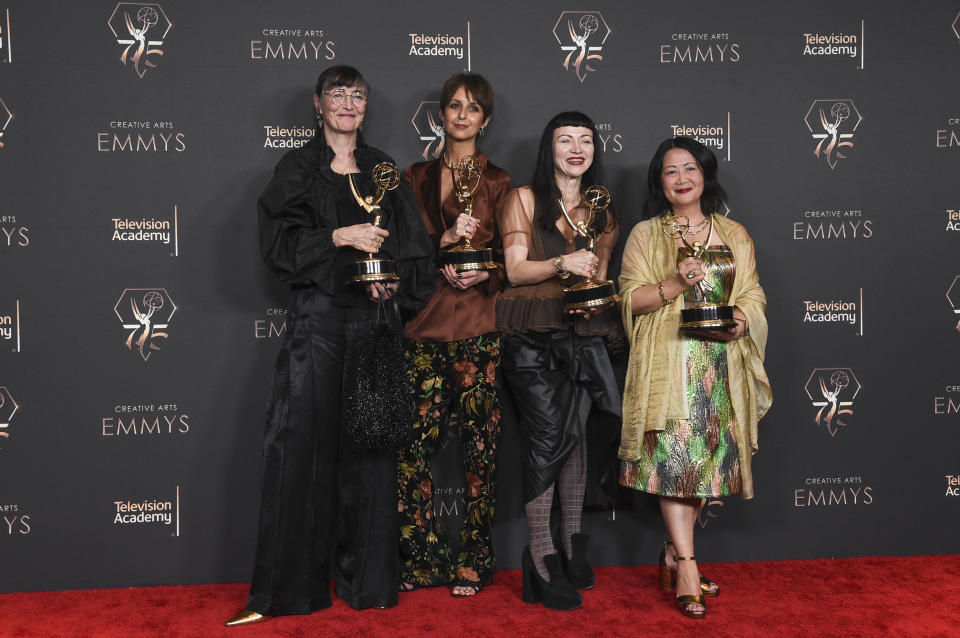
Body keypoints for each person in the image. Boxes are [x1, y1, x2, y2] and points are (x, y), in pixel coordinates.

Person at [226, 65, 434, 626]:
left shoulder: (385, 170)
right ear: (318, 105)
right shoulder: (297, 167)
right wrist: (340, 235)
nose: (348, 103)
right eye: (337, 94)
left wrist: (396, 285)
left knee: (372, 450)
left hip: (374, 322)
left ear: (366, 106)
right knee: (298, 450)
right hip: (317, 322)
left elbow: (414, 249)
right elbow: (279, 245)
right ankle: (290, 592)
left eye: (357, 95)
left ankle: (371, 585)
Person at [617, 136, 772, 619]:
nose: (682, 178)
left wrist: (743, 321)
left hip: (721, 366)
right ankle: (686, 564)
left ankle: (670, 552)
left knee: (705, 466)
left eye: (690, 168)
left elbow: (752, 294)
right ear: (660, 184)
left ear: (705, 174)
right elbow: (629, 300)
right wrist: (676, 283)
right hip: (671, 364)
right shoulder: (647, 234)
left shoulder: (735, 232)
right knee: (675, 462)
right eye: (670, 171)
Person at [496, 112, 622, 610]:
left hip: (585, 336)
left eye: (586, 140)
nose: (576, 148)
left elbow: (599, 282)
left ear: (595, 150)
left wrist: (589, 280)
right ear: (549, 148)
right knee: (549, 436)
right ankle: (540, 555)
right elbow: (514, 271)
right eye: (565, 140)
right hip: (531, 337)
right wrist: (561, 263)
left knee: (575, 439)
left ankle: (571, 542)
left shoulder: (604, 212)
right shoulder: (524, 199)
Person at [396, 72, 512, 598]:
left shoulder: (499, 182)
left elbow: (514, 262)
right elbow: (399, 250)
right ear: (440, 115)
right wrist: (437, 248)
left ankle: (475, 557)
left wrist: (481, 271)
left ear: (485, 120)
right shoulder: (412, 176)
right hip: (423, 325)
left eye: (472, 108)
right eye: (453, 106)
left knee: (479, 449)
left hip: (477, 327)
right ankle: (422, 558)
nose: (462, 114)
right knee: (412, 448)